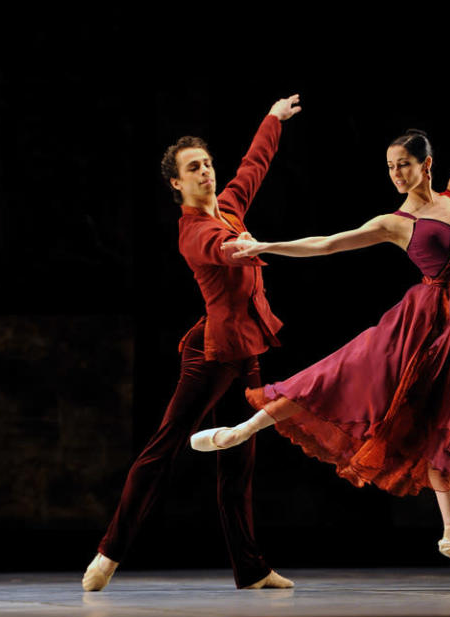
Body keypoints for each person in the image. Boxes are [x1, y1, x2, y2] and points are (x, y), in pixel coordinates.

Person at [191, 50, 450, 591]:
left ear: (426, 163)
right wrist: (267, 245)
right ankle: (245, 427)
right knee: (342, 378)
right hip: (416, 326)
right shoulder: (395, 223)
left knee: (444, 423)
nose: (396, 173)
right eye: (390, 166)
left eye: (404, 164)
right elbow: (327, 244)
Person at [82, 95, 302, 592]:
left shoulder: (228, 207)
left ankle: (251, 569)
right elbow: (216, 250)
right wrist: (238, 249)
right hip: (212, 353)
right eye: (193, 168)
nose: (205, 171)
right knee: (164, 449)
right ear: (176, 183)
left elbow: (254, 166)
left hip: (246, 349)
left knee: (239, 457)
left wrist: (271, 118)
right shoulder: (193, 231)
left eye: (206, 163)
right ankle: (108, 554)